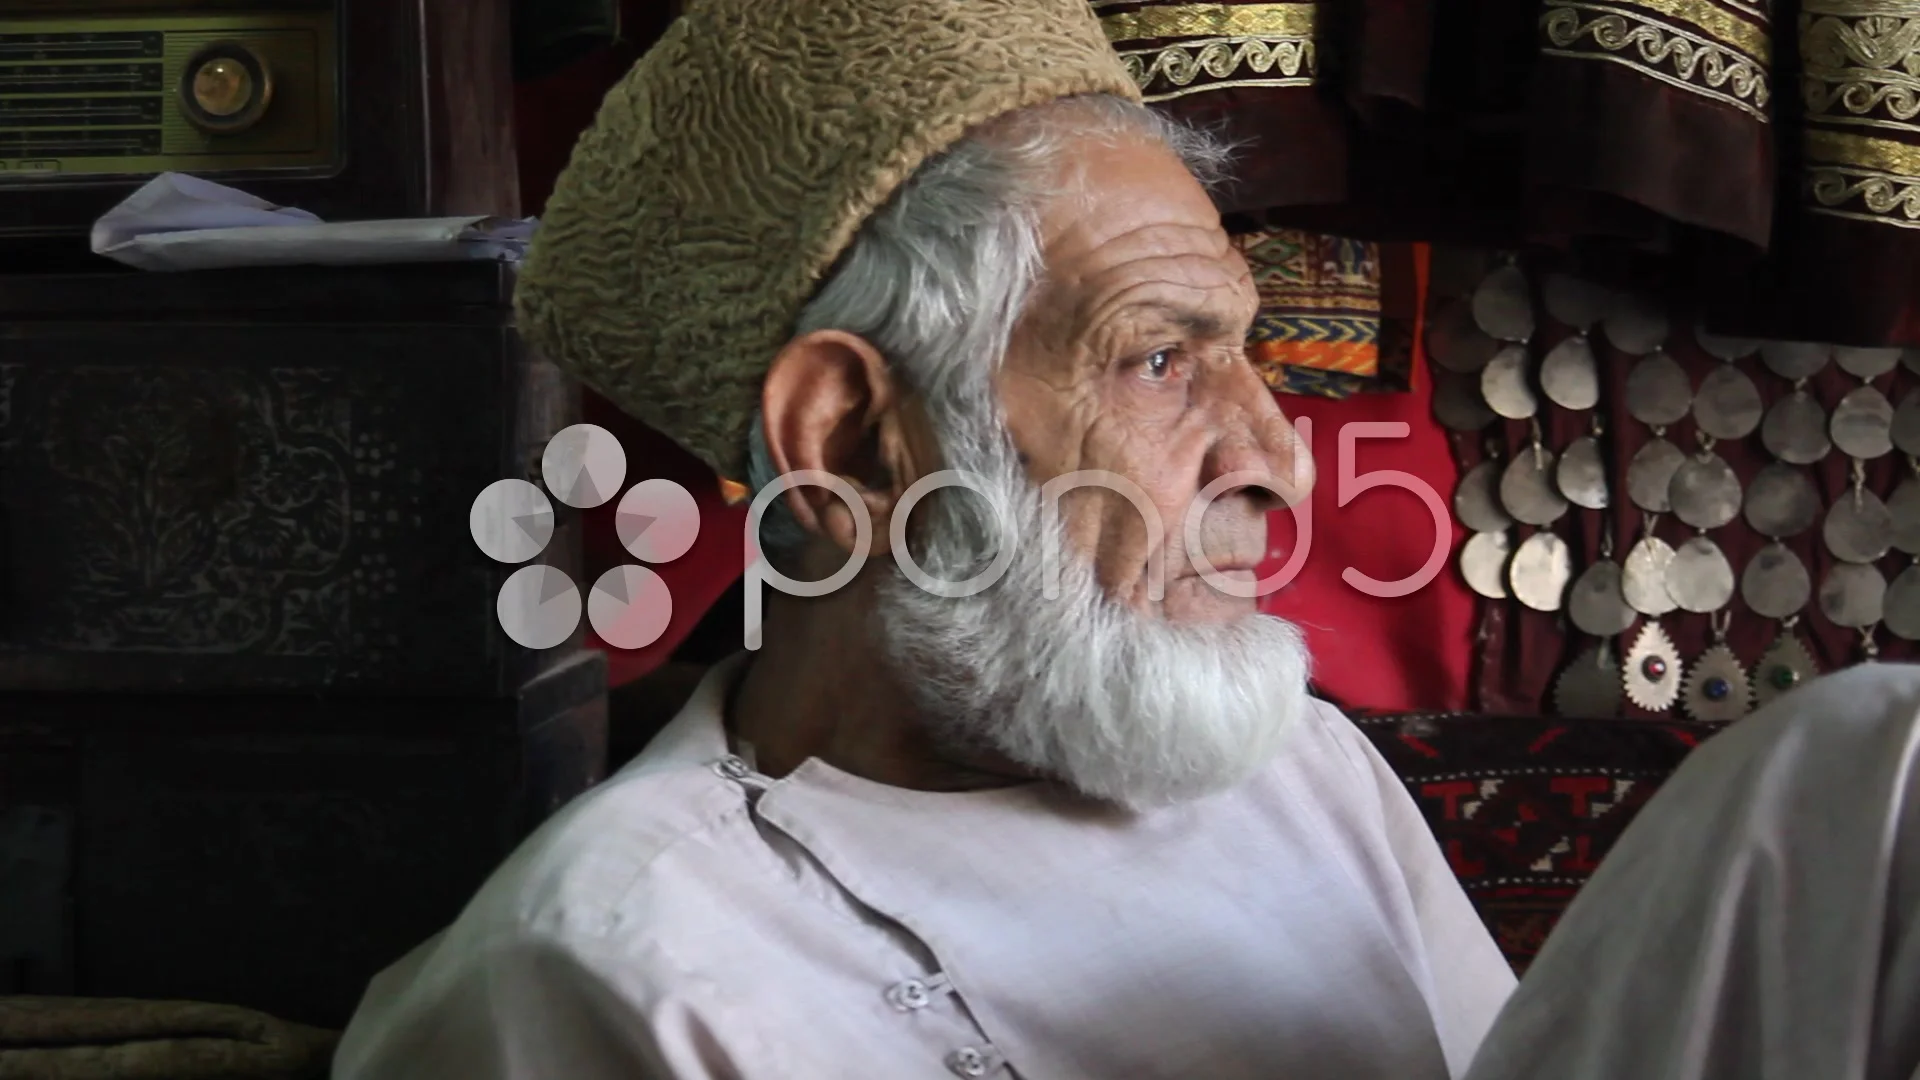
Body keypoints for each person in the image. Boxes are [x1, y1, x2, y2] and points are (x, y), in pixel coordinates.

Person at [331, 1, 1920, 1077]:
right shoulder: (606, 975)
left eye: (1255, 356)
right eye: (1161, 360)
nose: (1281, 463)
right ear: (851, 443)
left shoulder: (1299, 767)